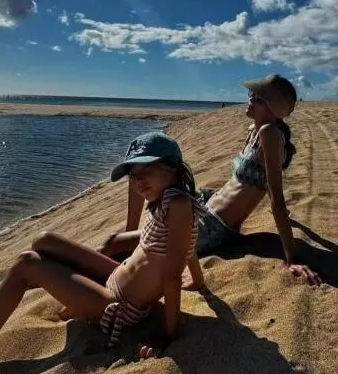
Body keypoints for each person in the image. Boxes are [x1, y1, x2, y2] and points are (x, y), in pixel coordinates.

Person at [0, 132, 204, 365]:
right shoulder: (168, 198)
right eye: (133, 174)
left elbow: (172, 273)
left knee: (26, 262)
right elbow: (185, 245)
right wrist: (198, 279)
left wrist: (167, 334)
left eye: (146, 170)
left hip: (120, 305)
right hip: (116, 277)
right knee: (43, 240)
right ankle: (56, 283)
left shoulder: (179, 205)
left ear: (172, 167)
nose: (138, 181)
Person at [103, 75, 320, 286]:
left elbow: (276, 197)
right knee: (138, 171)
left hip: (212, 227)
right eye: (251, 95)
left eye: (259, 99)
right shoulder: (256, 130)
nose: (250, 100)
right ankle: (127, 235)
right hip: (206, 202)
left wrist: (292, 259)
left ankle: (96, 276)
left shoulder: (270, 133)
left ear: (274, 109)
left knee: (113, 243)